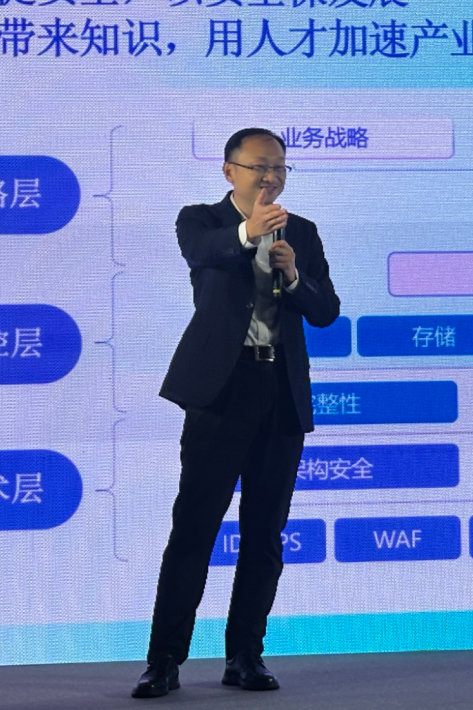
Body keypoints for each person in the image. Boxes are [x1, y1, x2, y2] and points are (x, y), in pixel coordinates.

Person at [133, 128, 340, 698]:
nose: (270, 177)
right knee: (195, 529)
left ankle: (246, 656)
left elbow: (326, 310)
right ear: (231, 171)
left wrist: (293, 276)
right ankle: (164, 661)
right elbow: (205, 253)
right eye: (259, 166)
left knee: (264, 533)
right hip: (221, 392)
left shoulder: (302, 232)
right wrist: (251, 232)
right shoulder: (201, 221)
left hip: (280, 391)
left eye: (279, 167)